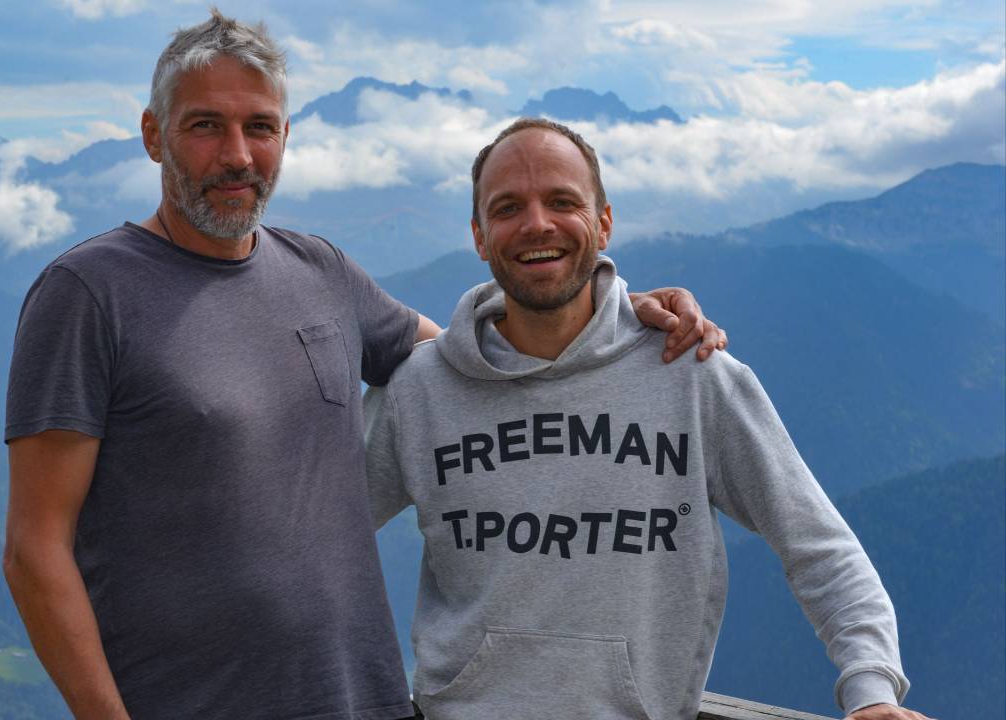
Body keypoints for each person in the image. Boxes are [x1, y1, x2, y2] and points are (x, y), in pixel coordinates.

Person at [1, 11, 724, 720]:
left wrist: (607, 314)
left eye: (260, 127)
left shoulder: (321, 273)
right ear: (154, 135)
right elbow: (35, 551)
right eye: (205, 126)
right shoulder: (89, 294)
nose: (238, 156)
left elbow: (480, 362)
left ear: (286, 136)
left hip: (363, 700)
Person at [364, 118, 929, 720]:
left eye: (562, 201)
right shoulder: (419, 392)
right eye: (508, 208)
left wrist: (871, 690)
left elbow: (817, 544)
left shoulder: (691, 374)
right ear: (480, 236)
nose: (537, 224)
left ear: (603, 222)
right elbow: (310, 535)